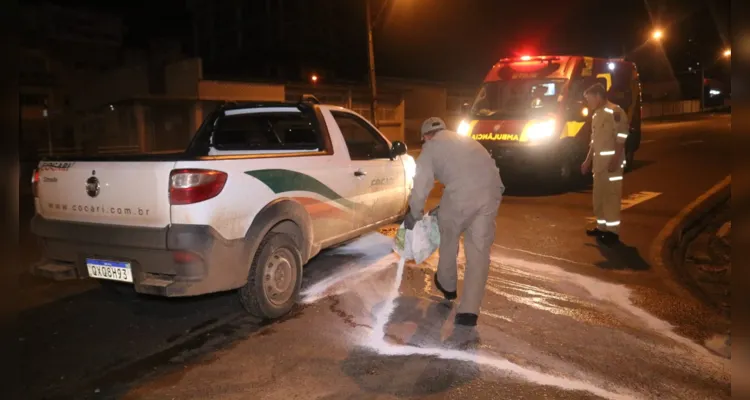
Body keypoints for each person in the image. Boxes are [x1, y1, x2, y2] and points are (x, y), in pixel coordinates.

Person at [404, 117, 505, 327]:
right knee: (478, 251)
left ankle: (447, 284)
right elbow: (471, 174)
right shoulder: (464, 140)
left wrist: (414, 213)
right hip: (491, 191)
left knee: (448, 237)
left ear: (426, 136)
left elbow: (421, 184)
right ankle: (469, 311)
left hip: (461, 194)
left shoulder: (431, 147)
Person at [580, 83, 629, 246]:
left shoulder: (615, 111)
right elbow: (594, 142)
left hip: (611, 165)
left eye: (589, 99)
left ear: (598, 96)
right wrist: (587, 160)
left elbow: (621, 136)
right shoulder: (597, 115)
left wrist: (615, 159)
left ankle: (612, 232)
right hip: (599, 166)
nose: (588, 103)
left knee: (611, 197)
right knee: (599, 197)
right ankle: (601, 228)